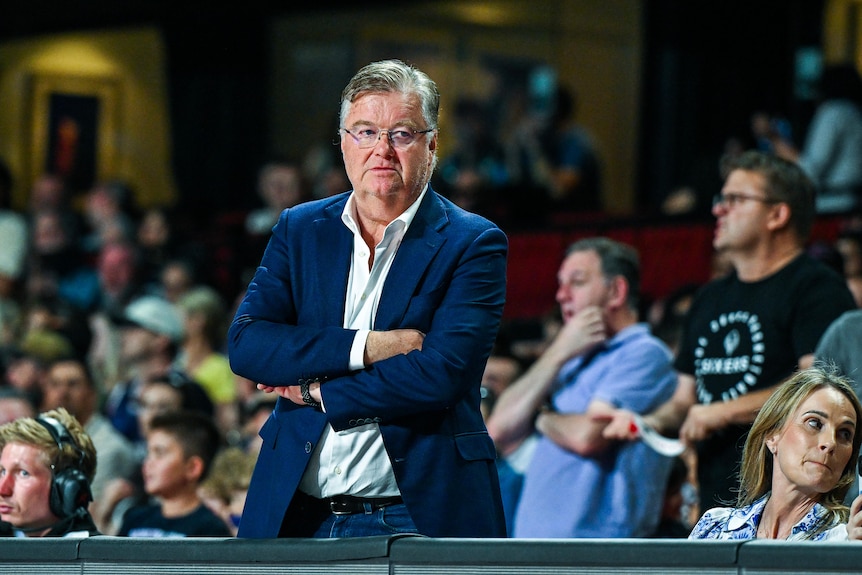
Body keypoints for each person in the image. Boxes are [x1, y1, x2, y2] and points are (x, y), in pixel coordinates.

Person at [228, 59, 508, 539]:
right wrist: (372, 346)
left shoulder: (473, 242)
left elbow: (440, 375)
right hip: (297, 512)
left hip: (417, 513)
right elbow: (248, 345)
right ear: (342, 143)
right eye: (364, 132)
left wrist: (318, 392)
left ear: (432, 144)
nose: (381, 150)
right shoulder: (300, 227)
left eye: (401, 134)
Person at [603, 150, 857, 514]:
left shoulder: (818, 289)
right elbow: (684, 400)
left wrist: (720, 412)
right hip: (717, 498)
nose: (719, 209)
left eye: (735, 199)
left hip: (791, 504)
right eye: (721, 199)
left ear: (777, 215)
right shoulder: (708, 297)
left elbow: (818, 390)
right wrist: (644, 423)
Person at [487, 237, 677, 538]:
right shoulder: (572, 355)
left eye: (576, 282)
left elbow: (587, 436)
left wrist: (541, 416)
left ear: (616, 291)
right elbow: (498, 429)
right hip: (534, 544)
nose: (561, 295)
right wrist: (559, 351)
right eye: (560, 284)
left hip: (596, 548)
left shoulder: (644, 353)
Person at [689, 364, 862, 540]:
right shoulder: (713, 528)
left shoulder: (847, 540)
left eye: (845, 434)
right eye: (814, 423)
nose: (830, 443)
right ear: (772, 435)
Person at [39, 356, 138, 533]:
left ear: (92, 394)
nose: (63, 392)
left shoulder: (109, 447)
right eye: (55, 384)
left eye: (73, 384)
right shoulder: (36, 435)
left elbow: (88, 512)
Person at [117, 410, 231, 537]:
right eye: (148, 453)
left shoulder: (211, 529)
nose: (148, 463)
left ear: (192, 468)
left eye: (159, 453)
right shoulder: (134, 518)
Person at [769, 64, 862, 214]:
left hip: (832, 205)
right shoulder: (854, 113)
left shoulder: (833, 112)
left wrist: (773, 138)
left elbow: (810, 171)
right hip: (852, 203)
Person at [0, 407, 99, 537]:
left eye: (23, 473)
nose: (3, 490)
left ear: (67, 488)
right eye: (2, 471)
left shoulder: (94, 550)